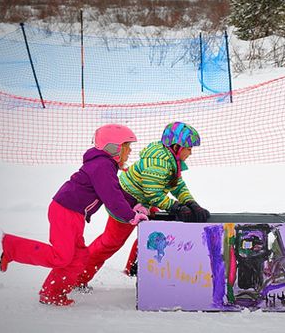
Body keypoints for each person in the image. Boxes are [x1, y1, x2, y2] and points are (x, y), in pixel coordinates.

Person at [0, 124, 149, 306]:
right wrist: (130, 216)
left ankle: (52, 293)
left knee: (78, 258)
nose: (130, 152)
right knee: (62, 256)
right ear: (114, 148)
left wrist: (135, 205)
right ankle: (12, 248)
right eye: (127, 147)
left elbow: (116, 191)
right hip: (65, 211)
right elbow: (112, 197)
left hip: (74, 214)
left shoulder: (104, 165)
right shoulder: (102, 165)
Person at [75, 121, 210, 290]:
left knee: (155, 230)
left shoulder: (170, 160)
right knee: (110, 243)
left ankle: (132, 268)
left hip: (142, 202)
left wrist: (191, 203)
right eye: (189, 148)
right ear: (176, 147)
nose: (190, 153)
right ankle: (78, 277)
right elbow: (153, 194)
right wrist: (176, 207)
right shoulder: (157, 163)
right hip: (125, 203)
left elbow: (177, 185)